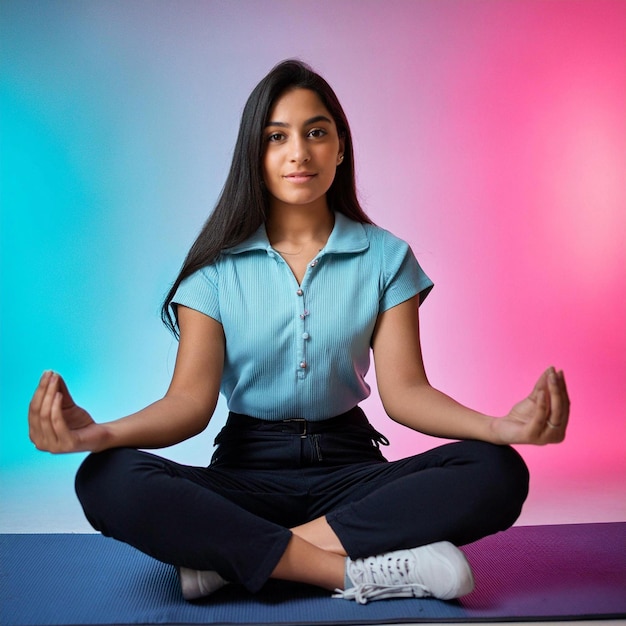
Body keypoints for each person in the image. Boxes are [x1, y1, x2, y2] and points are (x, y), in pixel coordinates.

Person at [28, 59, 569, 605]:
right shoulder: (212, 273)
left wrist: (497, 427)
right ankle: (350, 573)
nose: (299, 152)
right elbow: (189, 403)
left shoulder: (386, 257)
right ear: (255, 156)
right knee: (106, 478)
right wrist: (97, 436)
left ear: (340, 148)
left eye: (316, 132)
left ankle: (234, 563)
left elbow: (406, 394)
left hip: (351, 474)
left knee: (495, 469)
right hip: (245, 476)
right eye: (276, 137)